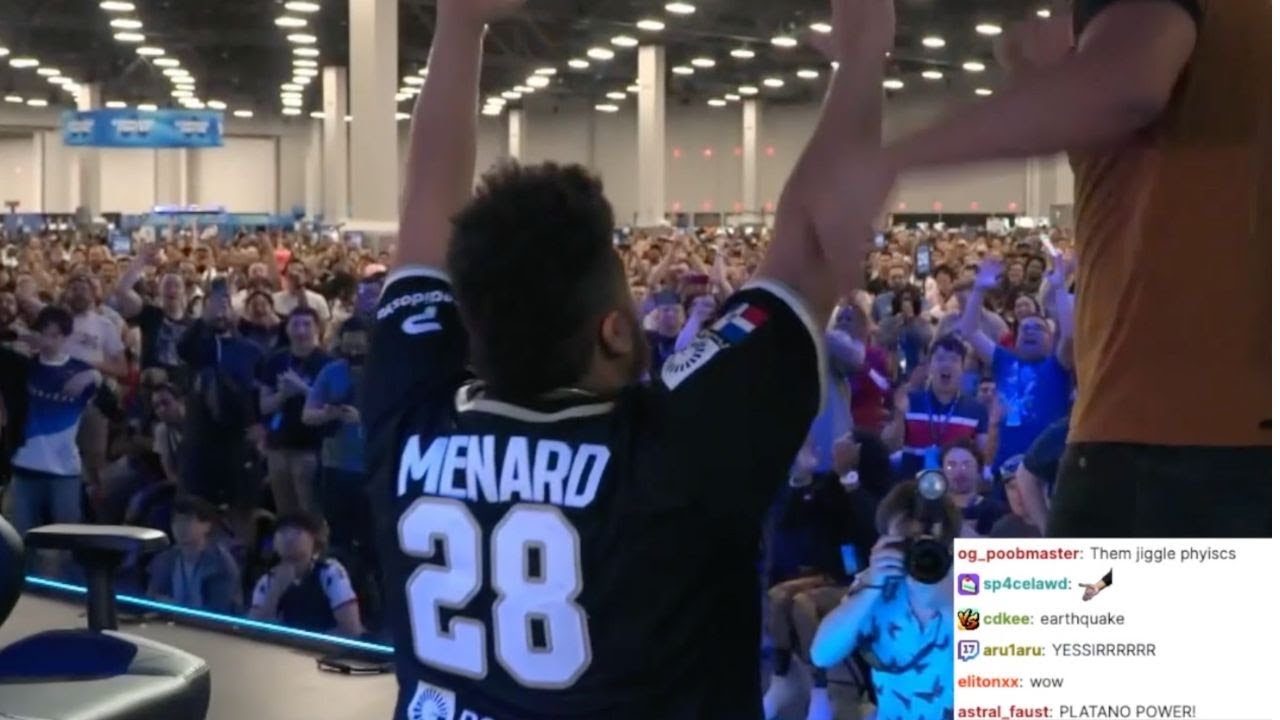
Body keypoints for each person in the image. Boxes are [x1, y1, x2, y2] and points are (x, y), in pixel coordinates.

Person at [364, 0, 892, 716]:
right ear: (614, 332)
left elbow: (424, 219)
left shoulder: (410, 422)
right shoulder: (675, 457)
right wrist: (864, 57)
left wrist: (458, 23)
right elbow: (813, 246)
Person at [854, 0, 1269, 537]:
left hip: (1161, 444)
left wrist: (884, 161)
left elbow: (1125, 85)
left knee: (1028, 593)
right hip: (1219, 436)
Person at [810, 481, 959, 720]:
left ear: (949, 542)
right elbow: (822, 655)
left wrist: (948, 604)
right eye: (905, 544)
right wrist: (871, 589)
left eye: (928, 544)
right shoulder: (876, 585)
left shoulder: (977, 579)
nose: (918, 552)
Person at [959, 259, 1072, 488]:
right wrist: (979, 289)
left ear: (1050, 340)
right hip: (1005, 468)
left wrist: (1060, 286)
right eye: (1024, 328)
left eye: (1038, 328)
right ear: (1016, 338)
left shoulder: (1058, 365)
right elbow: (969, 331)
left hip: (1048, 469)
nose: (1029, 331)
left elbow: (1069, 335)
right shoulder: (1004, 360)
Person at [0, 305, 101, 536]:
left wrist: (95, 376)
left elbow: (110, 404)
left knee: (67, 538)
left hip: (64, 469)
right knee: (21, 538)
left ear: (65, 337)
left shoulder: (80, 371)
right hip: (24, 465)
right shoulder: (24, 368)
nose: (48, 341)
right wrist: (16, 335)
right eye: (44, 334)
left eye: (55, 335)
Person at [302, 316, 371, 556]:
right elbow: (308, 415)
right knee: (339, 537)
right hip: (336, 465)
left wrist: (361, 419)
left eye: (359, 346)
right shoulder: (331, 371)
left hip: (371, 467)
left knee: (370, 537)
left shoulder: (383, 372)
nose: (354, 352)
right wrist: (328, 414)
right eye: (349, 346)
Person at [257, 306, 331, 516]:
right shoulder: (275, 360)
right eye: (296, 324)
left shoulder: (328, 363)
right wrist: (283, 395)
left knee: (311, 512)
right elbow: (264, 406)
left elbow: (332, 407)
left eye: (307, 325)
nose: (301, 331)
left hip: (312, 449)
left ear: (317, 328)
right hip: (278, 447)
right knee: (285, 511)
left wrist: (303, 388)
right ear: (287, 329)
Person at [883, 335, 989, 479]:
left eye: (954, 360)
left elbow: (983, 458)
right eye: (940, 359)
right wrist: (900, 415)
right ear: (929, 366)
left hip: (955, 487)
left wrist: (994, 424)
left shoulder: (976, 409)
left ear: (963, 368)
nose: (946, 364)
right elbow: (890, 445)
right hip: (911, 485)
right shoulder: (909, 401)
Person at [247, 512, 364, 636]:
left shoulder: (330, 573)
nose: (289, 538)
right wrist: (275, 592)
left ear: (314, 540)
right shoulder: (267, 581)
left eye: (297, 531)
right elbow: (253, 630)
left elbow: (351, 630)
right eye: (282, 531)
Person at [145, 495, 242, 613]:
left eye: (188, 521)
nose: (181, 527)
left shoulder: (221, 564)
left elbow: (218, 612)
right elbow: (151, 601)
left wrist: (174, 608)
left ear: (207, 526)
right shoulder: (164, 560)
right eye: (176, 521)